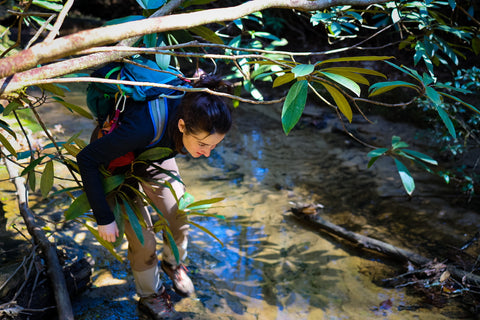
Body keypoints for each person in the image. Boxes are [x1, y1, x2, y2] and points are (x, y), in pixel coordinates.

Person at [76, 73, 232, 319]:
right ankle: (151, 296)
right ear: (181, 126)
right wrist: (104, 217)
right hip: (115, 165)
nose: (207, 154)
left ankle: (173, 264)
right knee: (143, 241)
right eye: (203, 145)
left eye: (214, 146)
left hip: (153, 155)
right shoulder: (142, 127)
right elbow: (86, 159)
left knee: (178, 212)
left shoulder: (193, 104)